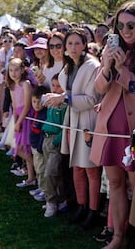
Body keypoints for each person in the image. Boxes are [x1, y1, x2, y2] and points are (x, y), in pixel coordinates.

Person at [90, 1, 135, 249]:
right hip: (109, 124)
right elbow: (99, 88)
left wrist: (121, 69)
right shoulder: (110, 48)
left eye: (131, 25)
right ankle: (118, 237)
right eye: (121, 25)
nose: (126, 30)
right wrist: (107, 65)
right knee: (115, 183)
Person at [45, 28, 101, 230]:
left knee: (91, 170)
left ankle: (93, 211)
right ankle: (81, 205)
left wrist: (64, 98)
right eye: (70, 43)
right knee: (77, 166)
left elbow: (92, 99)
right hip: (73, 119)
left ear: (85, 44)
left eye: (77, 43)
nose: (73, 47)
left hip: (88, 121)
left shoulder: (92, 66)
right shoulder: (70, 66)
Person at [40, 73, 69, 217]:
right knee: (51, 173)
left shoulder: (64, 106)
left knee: (51, 173)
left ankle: (51, 202)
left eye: (59, 86)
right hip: (46, 140)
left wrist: (56, 142)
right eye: (53, 85)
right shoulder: (50, 101)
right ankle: (60, 199)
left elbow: (66, 128)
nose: (55, 89)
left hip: (55, 143)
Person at [6, 57, 35, 188]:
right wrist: (15, 121)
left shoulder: (25, 84)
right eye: (11, 70)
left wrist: (19, 121)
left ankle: (33, 175)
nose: (13, 73)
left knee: (24, 148)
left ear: (23, 70)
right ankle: (31, 176)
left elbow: (27, 105)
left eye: (16, 70)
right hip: (18, 117)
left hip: (26, 117)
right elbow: (14, 104)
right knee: (18, 148)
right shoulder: (12, 85)